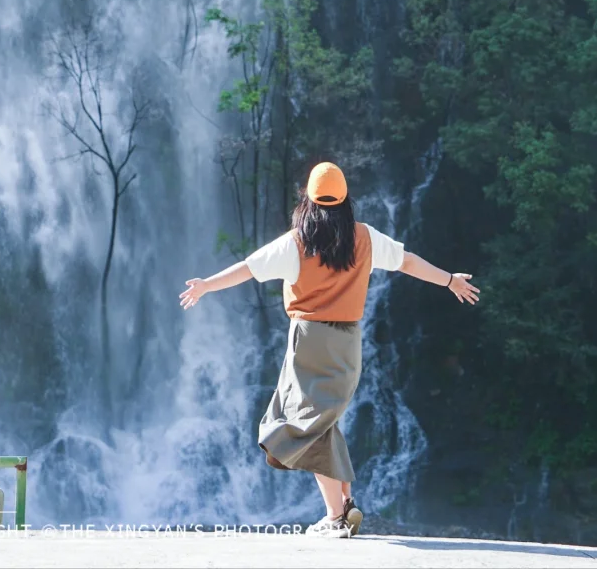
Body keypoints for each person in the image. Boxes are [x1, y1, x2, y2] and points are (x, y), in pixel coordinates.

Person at [180, 160, 479, 537]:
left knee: (308, 425)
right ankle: (346, 505)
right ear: (345, 200)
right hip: (348, 343)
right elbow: (406, 262)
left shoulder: (296, 243)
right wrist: (449, 280)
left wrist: (206, 285)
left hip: (309, 341)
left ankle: (335, 517)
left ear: (307, 199)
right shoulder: (365, 238)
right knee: (324, 422)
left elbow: (248, 268)